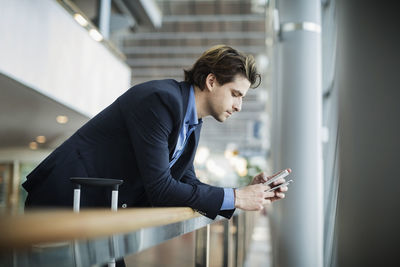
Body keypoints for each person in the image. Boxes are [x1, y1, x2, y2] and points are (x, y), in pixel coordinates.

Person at [23, 45, 289, 220]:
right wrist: (236, 198)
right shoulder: (160, 101)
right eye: (235, 94)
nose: (239, 106)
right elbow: (160, 188)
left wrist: (242, 192)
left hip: (96, 211)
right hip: (63, 203)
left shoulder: (192, 124)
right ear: (211, 81)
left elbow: (187, 183)